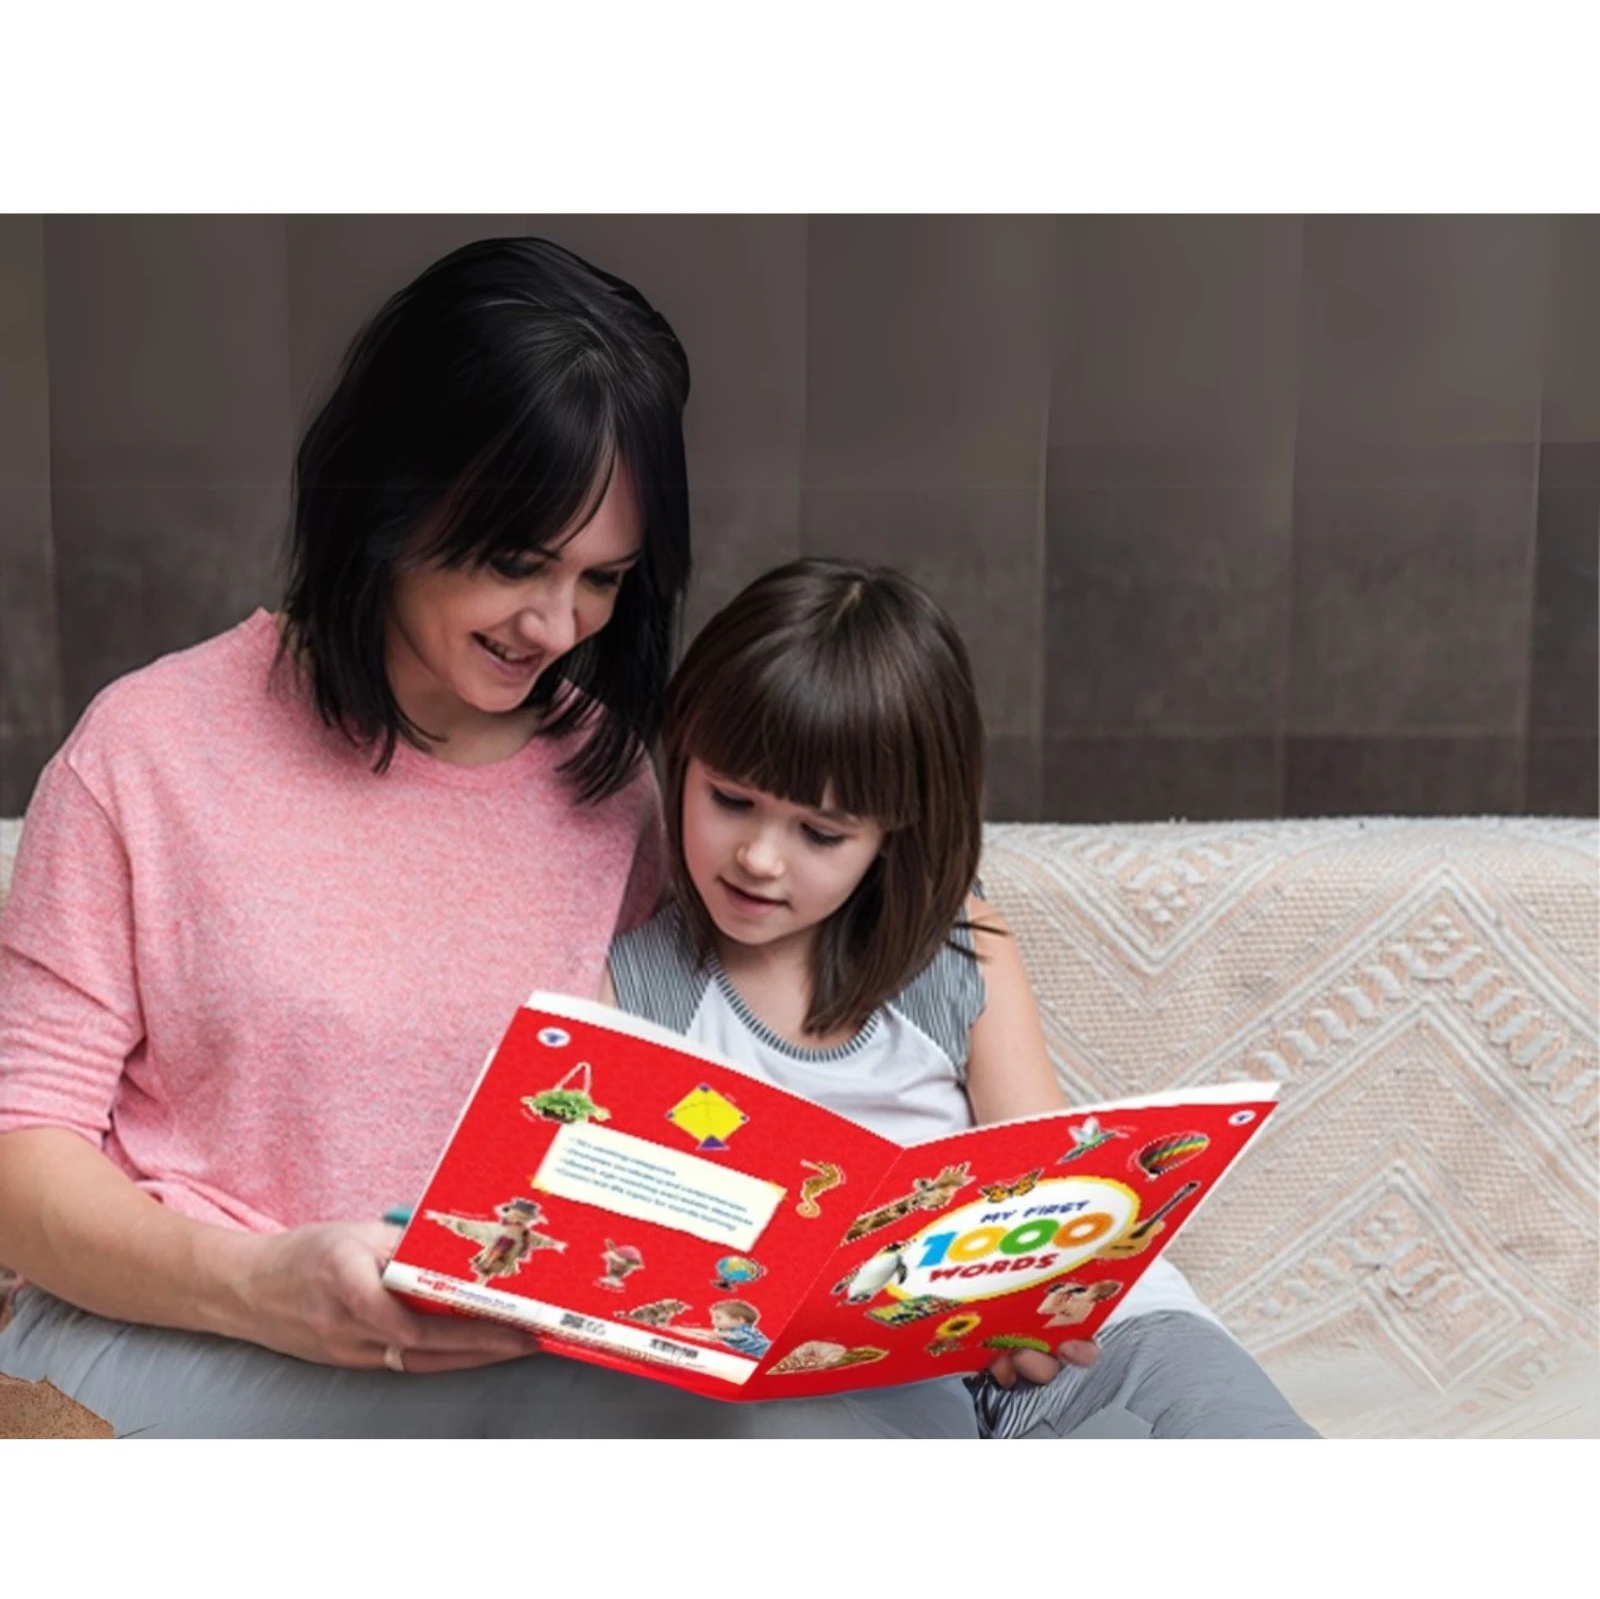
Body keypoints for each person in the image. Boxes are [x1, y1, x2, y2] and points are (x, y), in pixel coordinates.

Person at [0, 235, 718, 1437]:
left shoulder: (611, 783)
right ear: (390, 495)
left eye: (604, 580)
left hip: (497, 1351)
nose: (556, 626)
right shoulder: (147, 750)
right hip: (172, 1325)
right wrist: (260, 1285)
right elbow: (20, 1161)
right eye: (516, 563)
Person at [605, 559, 1318, 1439]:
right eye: (729, 799)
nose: (758, 856)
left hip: (1059, 1341)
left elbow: (1048, 1181)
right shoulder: (643, 986)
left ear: (892, 831)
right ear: (681, 759)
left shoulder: (955, 948)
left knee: (1239, 1428)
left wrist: (1037, 1304)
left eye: (820, 833)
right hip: (828, 1365)